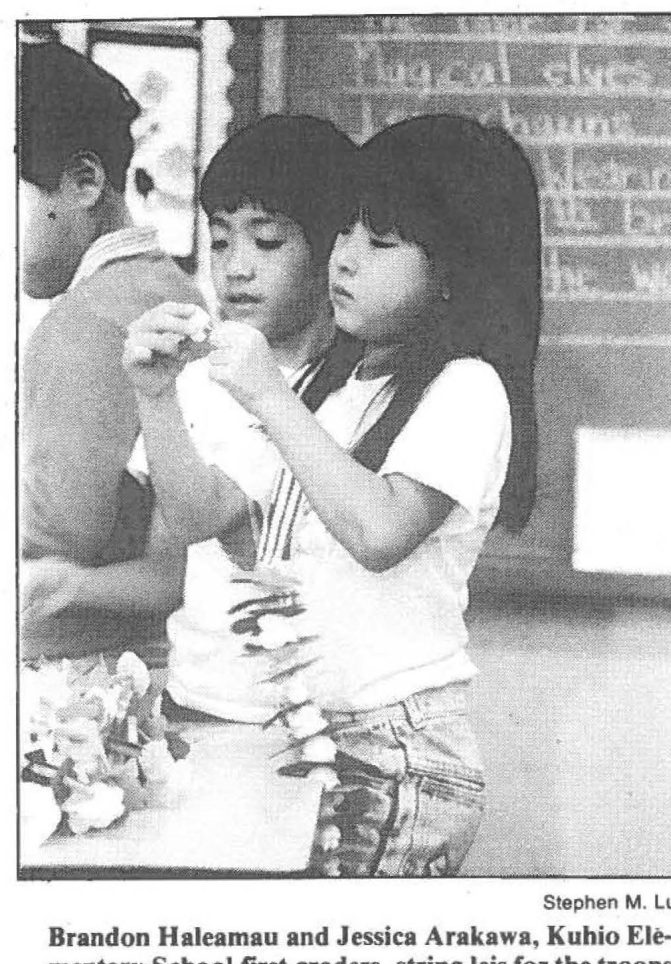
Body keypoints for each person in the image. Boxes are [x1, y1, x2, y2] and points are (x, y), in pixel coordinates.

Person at [125, 114, 541, 875]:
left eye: (380, 243)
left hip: (391, 752)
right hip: (309, 736)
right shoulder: (339, 388)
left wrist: (269, 399)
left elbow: (379, 533)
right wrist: (156, 398)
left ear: (454, 270)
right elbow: (236, 531)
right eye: (346, 231)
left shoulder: (469, 388)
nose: (345, 259)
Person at [40, 115, 358, 720]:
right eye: (219, 240)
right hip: (194, 703)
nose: (235, 267)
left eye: (266, 242)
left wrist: (153, 398)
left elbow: (203, 513)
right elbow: (170, 573)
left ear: (333, 250)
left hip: (307, 725)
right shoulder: (198, 379)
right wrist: (57, 586)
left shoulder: (353, 392)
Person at [20, 41, 205, 663]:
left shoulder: (85, 322)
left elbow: (52, 541)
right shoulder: (171, 288)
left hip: (76, 674)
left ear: (84, 183)